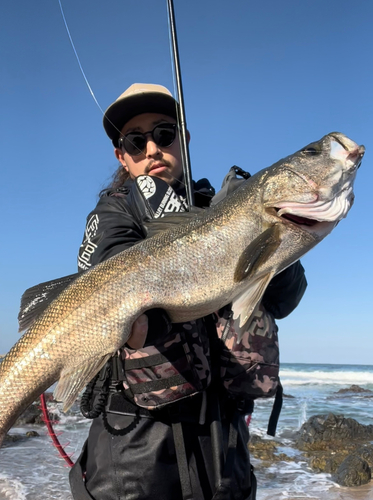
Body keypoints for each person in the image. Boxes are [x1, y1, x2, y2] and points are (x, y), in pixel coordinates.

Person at [69, 83, 307, 500]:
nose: (151, 149)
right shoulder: (113, 212)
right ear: (121, 156)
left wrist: (274, 231)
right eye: (135, 141)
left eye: (163, 134)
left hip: (226, 456)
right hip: (136, 459)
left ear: (184, 138)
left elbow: (285, 300)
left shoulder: (223, 206)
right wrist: (149, 316)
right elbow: (110, 262)